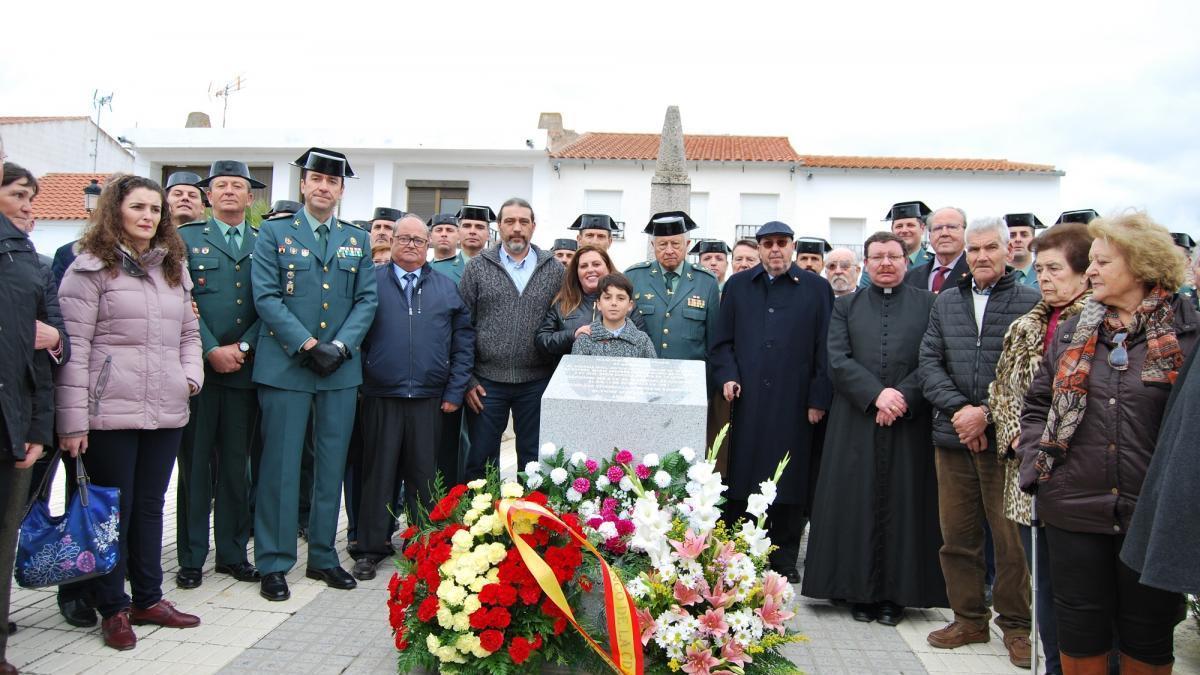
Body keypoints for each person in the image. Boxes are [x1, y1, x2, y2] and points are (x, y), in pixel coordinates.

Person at [1018, 212, 1198, 674]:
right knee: (1080, 629)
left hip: (1151, 516)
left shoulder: (1188, 335)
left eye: (1102, 261)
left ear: (1140, 266)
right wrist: (1037, 467)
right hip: (1073, 507)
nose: (1091, 270)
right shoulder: (1076, 334)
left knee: (1148, 632)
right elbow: (1037, 404)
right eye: (1091, 261)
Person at [56, 174, 204, 650]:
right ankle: (113, 608)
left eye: (155, 210)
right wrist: (73, 420)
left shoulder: (173, 270)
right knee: (109, 515)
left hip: (165, 409)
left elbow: (189, 335)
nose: (148, 216)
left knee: (149, 507)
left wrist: (190, 378)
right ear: (115, 211)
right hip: (108, 413)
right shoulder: (90, 268)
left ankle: (148, 597)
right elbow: (73, 349)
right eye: (138, 207)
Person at [250, 147, 378, 602]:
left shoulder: (356, 239)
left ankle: (323, 556)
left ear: (341, 190)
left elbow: (367, 299)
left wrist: (340, 347)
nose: (324, 187)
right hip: (287, 367)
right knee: (281, 468)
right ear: (303, 185)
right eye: (316, 179)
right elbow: (265, 296)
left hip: (339, 371)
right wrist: (307, 345)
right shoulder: (274, 232)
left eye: (333, 181)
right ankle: (274, 561)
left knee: (330, 466)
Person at [802, 231, 944, 626]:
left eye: (893, 256)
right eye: (878, 257)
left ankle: (896, 597)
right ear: (867, 262)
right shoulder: (846, 306)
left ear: (906, 261)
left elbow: (933, 357)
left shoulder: (930, 304)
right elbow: (837, 358)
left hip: (907, 422)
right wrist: (876, 395)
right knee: (855, 504)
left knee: (904, 506)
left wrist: (900, 397)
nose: (886, 263)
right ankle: (856, 592)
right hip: (857, 418)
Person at [918, 216, 1039, 668]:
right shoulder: (947, 302)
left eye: (991, 248)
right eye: (974, 249)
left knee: (1010, 541)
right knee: (957, 536)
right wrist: (960, 412)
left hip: (1005, 442)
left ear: (1009, 251)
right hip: (952, 438)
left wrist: (984, 415)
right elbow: (929, 361)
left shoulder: (1031, 301)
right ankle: (968, 618)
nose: (982, 256)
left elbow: (1030, 373)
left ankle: (1017, 627)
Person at [989, 221, 1094, 675]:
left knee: (1078, 595)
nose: (1044, 277)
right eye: (1040, 269)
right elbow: (1003, 390)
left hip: (1075, 477)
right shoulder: (1026, 325)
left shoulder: (1096, 323)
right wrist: (1016, 433)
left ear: (1084, 272)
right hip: (1025, 473)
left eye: (1054, 268)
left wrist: (1040, 440)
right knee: (1043, 585)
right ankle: (1052, 664)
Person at [711, 220, 833, 583]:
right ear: (758, 248)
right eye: (768, 244)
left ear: (792, 247)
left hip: (794, 402)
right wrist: (728, 375)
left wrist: (818, 397)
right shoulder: (737, 286)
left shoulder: (816, 288)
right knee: (742, 473)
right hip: (746, 400)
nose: (775, 250)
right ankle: (738, 549)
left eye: (782, 243)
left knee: (789, 478)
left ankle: (783, 557)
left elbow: (824, 347)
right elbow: (722, 343)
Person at [354, 214, 474, 581]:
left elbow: (463, 342)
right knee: (378, 473)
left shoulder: (445, 288)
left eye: (417, 240)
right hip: (380, 394)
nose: (410, 245)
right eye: (403, 238)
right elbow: (355, 334)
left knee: (424, 475)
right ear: (390, 242)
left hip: (430, 398)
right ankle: (370, 547)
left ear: (428, 246)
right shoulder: (371, 283)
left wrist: (455, 390)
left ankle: (422, 544)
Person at [174, 160, 265, 590]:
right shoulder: (186, 239)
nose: (229, 192)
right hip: (199, 370)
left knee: (235, 466)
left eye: (238, 186)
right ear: (208, 196)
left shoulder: (266, 242)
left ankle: (232, 553)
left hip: (245, 371)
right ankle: (191, 556)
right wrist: (210, 349)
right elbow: (180, 301)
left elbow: (269, 304)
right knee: (194, 467)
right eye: (221, 186)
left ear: (251, 198)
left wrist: (242, 347)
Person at [460, 198, 563, 479]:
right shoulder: (477, 268)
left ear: (533, 226)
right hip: (486, 383)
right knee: (480, 461)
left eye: (523, 222)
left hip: (537, 382)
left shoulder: (554, 269)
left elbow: (562, 322)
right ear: (499, 226)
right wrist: (467, 379)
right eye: (509, 222)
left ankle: (530, 519)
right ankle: (479, 520)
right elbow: (462, 327)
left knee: (534, 462)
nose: (516, 228)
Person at [0, 144, 54, 673]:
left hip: (16, 419)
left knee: (5, 533)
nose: (27, 208)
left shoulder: (29, 264)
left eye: (32, 200)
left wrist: (38, 426)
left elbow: (45, 352)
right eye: (18, 196)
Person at [625, 211, 720, 361]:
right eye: (662, 244)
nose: (669, 251)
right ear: (653, 246)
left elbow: (714, 341)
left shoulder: (707, 282)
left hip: (689, 376)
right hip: (644, 375)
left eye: (675, 244)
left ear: (687, 245)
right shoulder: (634, 277)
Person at [535, 245, 645, 359]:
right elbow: (542, 341)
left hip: (616, 373)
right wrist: (572, 335)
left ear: (608, 267)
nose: (590, 270)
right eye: (583, 266)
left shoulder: (624, 302)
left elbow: (640, 343)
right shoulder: (563, 303)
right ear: (576, 272)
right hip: (572, 373)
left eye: (596, 264)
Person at [571, 273, 656, 358]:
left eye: (621, 298)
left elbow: (652, 370)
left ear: (630, 305)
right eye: (607, 298)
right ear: (599, 304)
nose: (614, 303)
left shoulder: (642, 340)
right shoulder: (584, 340)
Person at [908, 206, 971, 293]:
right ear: (930, 236)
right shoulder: (910, 277)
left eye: (952, 227)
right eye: (938, 228)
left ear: (966, 233)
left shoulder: (976, 273)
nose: (944, 233)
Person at [1005, 213, 1046, 288]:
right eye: (1012, 235)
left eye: (1024, 235)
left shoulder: (1046, 276)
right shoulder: (995, 277)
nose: (1018, 239)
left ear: (1033, 240)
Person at [428, 213, 463, 279]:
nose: (444, 234)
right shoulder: (422, 269)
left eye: (449, 230)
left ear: (459, 237)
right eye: (439, 230)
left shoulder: (466, 268)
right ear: (430, 237)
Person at [1170, 232, 1197, 309]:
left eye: (1177, 257)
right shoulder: (1146, 291)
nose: (1171, 261)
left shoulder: (1193, 295)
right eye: (1167, 256)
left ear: (1188, 261)